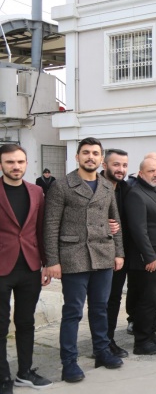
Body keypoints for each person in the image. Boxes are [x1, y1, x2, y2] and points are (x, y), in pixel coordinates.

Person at [44, 137, 125, 383]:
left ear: (101, 159)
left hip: (103, 255)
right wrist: (52, 260)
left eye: (95, 153)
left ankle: (101, 351)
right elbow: (50, 225)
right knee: (73, 312)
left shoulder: (106, 186)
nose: (91, 157)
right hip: (73, 256)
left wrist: (119, 252)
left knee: (100, 308)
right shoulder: (62, 185)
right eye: (86, 152)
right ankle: (69, 362)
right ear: (77, 157)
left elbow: (115, 221)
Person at [0, 145, 52, 391]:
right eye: (10, 162)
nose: (16, 166)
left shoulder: (37, 192)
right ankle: (3, 377)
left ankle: (24, 372)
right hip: (1, 269)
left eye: (20, 161)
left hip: (30, 267)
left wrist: (47, 264)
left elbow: (41, 230)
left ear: (26, 163)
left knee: (25, 322)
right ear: (1, 164)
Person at [123, 158, 156, 355]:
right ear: (141, 174)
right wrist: (149, 256)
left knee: (155, 299)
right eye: (151, 170)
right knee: (146, 301)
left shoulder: (154, 191)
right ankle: (141, 341)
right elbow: (138, 230)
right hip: (147, 260)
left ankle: (151, 334)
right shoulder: (136, 194)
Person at [101, 149, 133, 359]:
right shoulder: (95, 187)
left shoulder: (126, 188)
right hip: (99, 254)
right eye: (116, 165)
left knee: (114, 300)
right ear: (105, 165)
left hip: (121, 254)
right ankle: (101, 344)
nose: (120, 169)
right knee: (100, 302)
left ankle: (108, 340)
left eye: (124, 165)